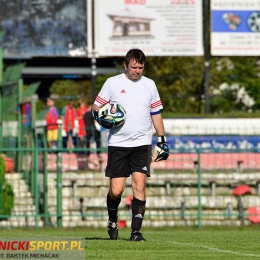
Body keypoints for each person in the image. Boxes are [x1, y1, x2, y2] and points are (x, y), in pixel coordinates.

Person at [92, 48, 169, 242]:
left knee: (139, 186)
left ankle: (136, 232)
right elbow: (95, 106)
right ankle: (112, 221)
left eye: (141, 67)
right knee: (117, 190)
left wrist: (162, 139)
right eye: (134, 67)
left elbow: (156, 113)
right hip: (118, 144)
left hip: (142, 143)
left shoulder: (150, 85)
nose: (137, 71)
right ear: (126, 65)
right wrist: (102, 118)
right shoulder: (112, 83)